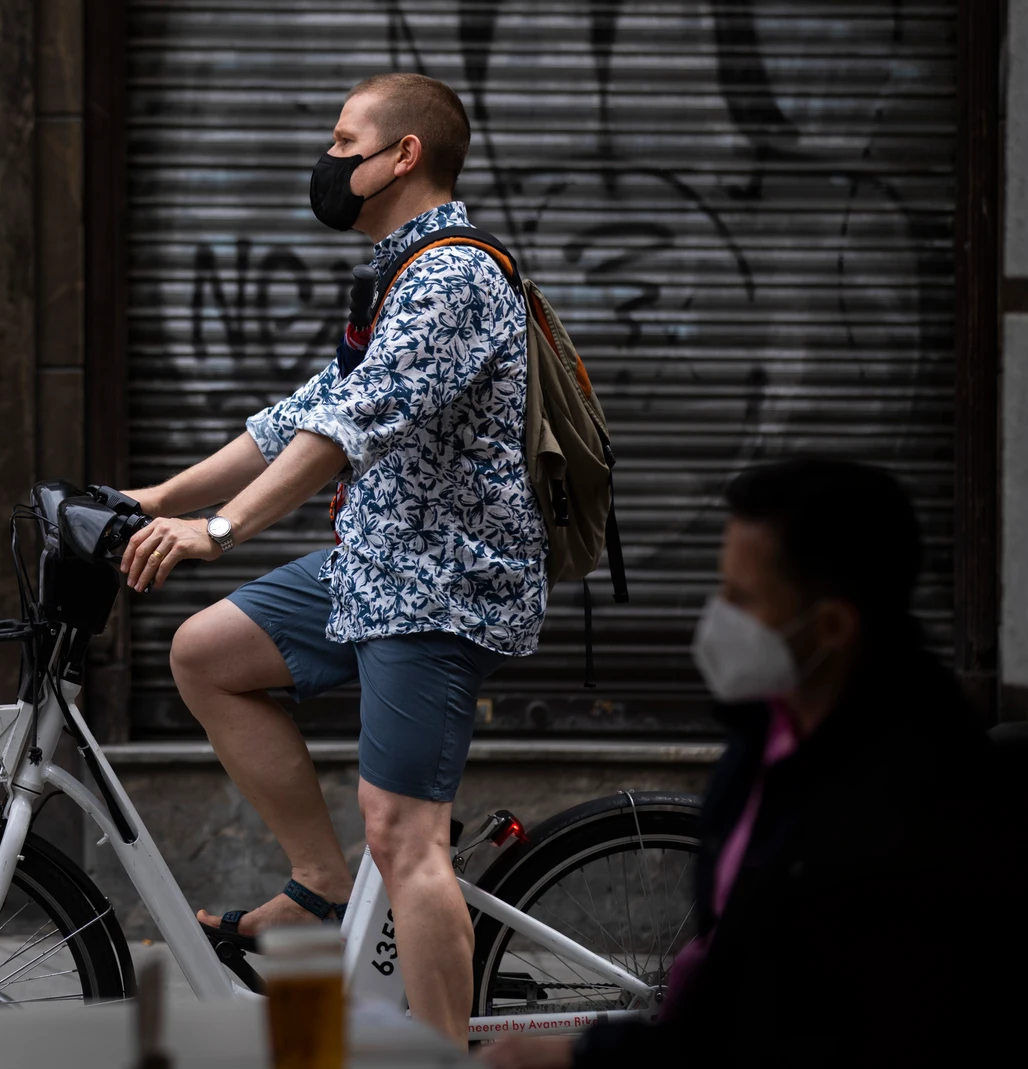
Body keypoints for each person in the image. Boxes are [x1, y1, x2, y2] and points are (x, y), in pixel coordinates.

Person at [120, 72, 543, 1043]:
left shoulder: (453, 277)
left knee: (407, 839)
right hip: (371, 568)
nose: (328, 160)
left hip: (437, 587)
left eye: (344, 141)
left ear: (402, 156)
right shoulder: (399, 274)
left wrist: (216, 530)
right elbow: (292, 421)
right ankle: (318, 882)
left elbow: (342, 432)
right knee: (206, 653)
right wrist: (150, 499)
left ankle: (443, 1056)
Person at [482, 459, 1025, 1068]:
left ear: (831, 626)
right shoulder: (770, 729)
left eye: (743, 598)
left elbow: (773, 1035)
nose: (719, 617)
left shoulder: (909, 811)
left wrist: (582, 1056)